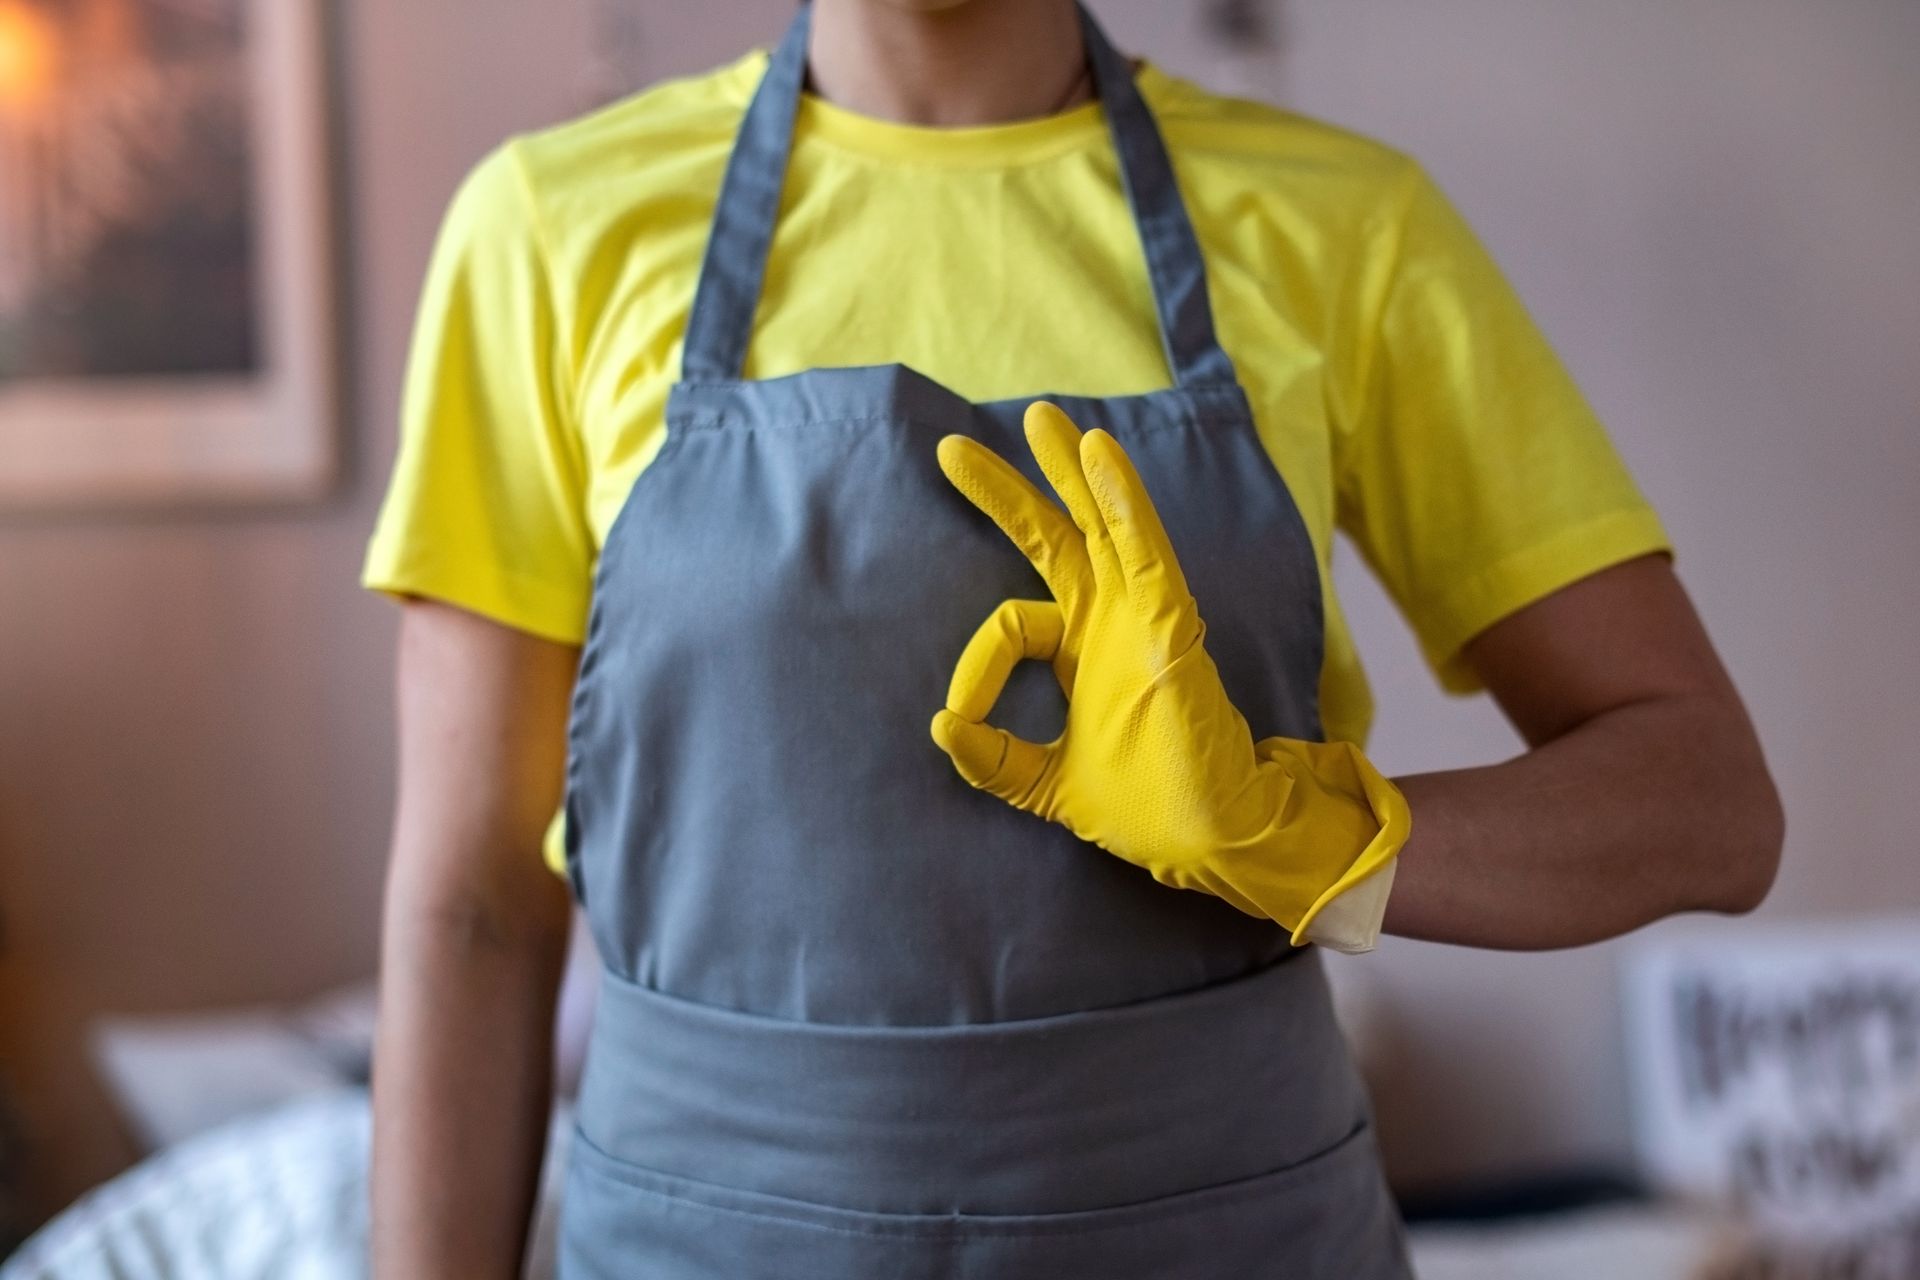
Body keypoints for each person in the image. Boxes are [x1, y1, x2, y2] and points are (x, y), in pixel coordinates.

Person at [359, 0, 1784, 1275]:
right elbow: (475, 904)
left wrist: (1304, 840)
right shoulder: (551, 228)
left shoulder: (1344, 226)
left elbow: (1706, 805)